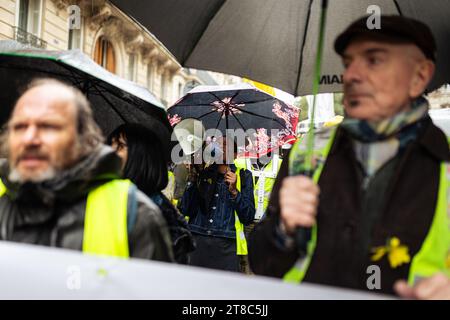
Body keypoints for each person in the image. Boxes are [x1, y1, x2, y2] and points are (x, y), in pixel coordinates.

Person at [249, 15, 450, 299]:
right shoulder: (307, 152)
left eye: (374, 60)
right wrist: (283, 229)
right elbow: (261, 263)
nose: (351, 75)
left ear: (419, 77)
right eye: (348, 63)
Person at [0, 78, 173, 262]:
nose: (29, 138)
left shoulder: (135, 214)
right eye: (19, 127)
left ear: (82, 139)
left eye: (48, 126)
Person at [108, 123, 195, 264]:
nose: (111, 151)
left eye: (120, 146)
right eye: (110, 145)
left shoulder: (162, 216)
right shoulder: (106, 194)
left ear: (140, 155)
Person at [180, 136, 255, 272]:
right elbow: (185, 209)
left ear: (235, 154)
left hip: (226, 244)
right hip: (197, 240)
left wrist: (234, 192)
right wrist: (193, 179)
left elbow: (248, 216)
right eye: (218, 144)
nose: (221, 147)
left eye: (226, 144)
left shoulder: (244, 176)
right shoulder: (202, 172)